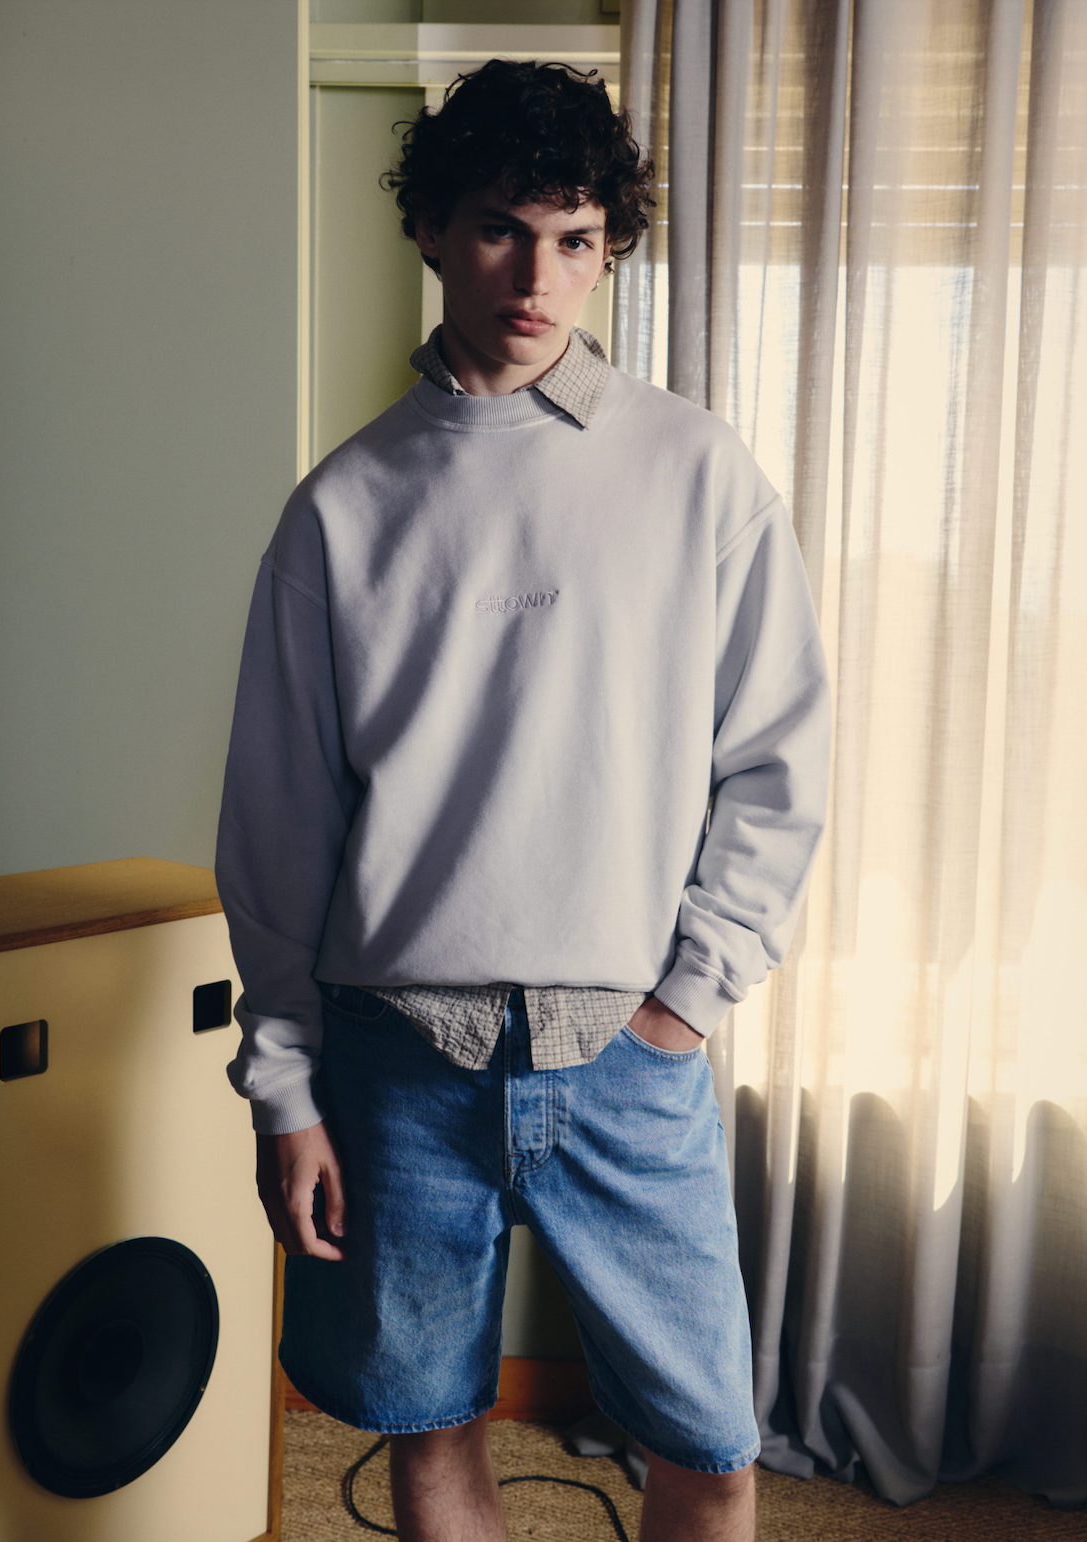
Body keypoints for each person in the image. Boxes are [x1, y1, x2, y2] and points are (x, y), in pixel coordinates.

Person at [216, 59, 830, 1542]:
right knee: (431, 1426)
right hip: (394, 1058)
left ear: (608, 247)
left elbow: (778, 757)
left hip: (627, 1047)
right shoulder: (341, 507)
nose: (537, 277)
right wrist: (286, 1089)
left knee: (711, 1445)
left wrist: (685, 998)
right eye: (500, 228)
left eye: (574, 238)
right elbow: (280, 830)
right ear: (431, 229)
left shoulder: (695, 473)